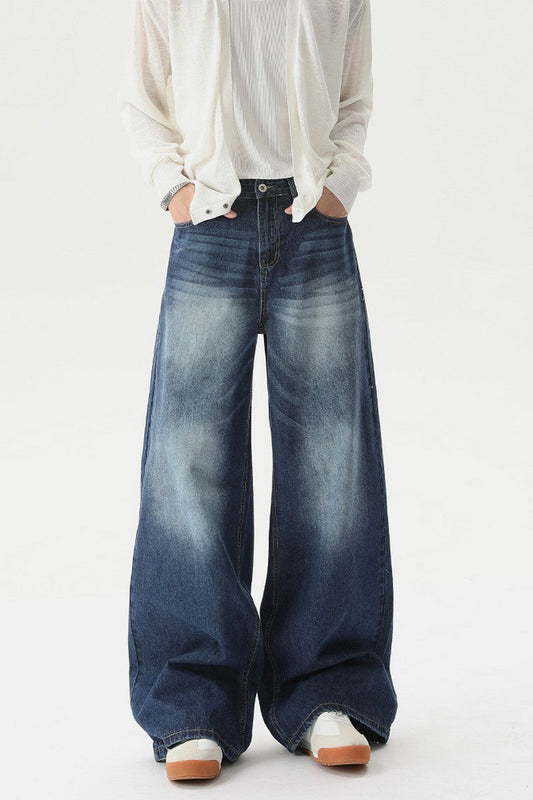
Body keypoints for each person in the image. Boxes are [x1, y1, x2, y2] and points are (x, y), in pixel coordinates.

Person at [120, 0, 397, 782]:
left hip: (313, 219)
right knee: (188, 466)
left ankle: (328, 688)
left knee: (332, 462)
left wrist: (341, 181)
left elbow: (352, 93)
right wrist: (173, 188)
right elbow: (145, 94)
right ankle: (192, 702)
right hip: (210, 221)